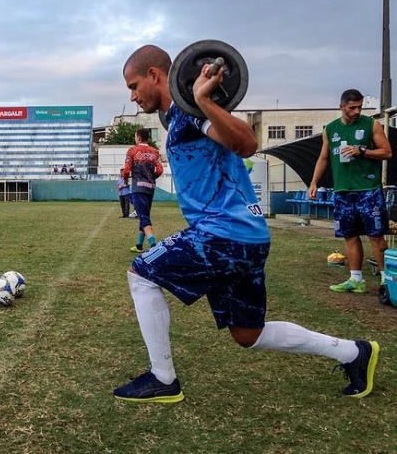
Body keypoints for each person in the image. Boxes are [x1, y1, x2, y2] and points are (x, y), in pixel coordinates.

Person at [112, 45, 380, 404]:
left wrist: (205, 101)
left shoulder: (192, 113)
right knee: (248, 334)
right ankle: (353, 352)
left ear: (155, 76)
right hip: (246, 237)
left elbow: (247, 143)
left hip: (222, 233)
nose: (132, 96)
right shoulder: (179, 116)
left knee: (141, 274)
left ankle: (163, 378)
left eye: (133, 86)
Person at [309, 89, 392, 294]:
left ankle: (386, 280)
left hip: (368, 190)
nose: (356, 111)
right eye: (352, 107)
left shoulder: (371, 125)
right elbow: (324, 158)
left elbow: (387, 152)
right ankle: (356, 279)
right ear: (342, 106)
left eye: (360, 107)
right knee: (350, 235)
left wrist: (362, 151)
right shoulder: (331, 129)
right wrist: (313, 183)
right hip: (343, 191)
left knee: (376, 235)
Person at [122, 128, 164, 252]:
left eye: (135, 137)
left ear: (138, 138)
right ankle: (139, 245)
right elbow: (160, 170)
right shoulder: (154, 151)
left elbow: (126, 170)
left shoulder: (132, 151)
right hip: (150, 188)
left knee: (144, 217)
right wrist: (151, 177)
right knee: (144, 215)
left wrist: (125, 180)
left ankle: (153, 245)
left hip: (138, 187)